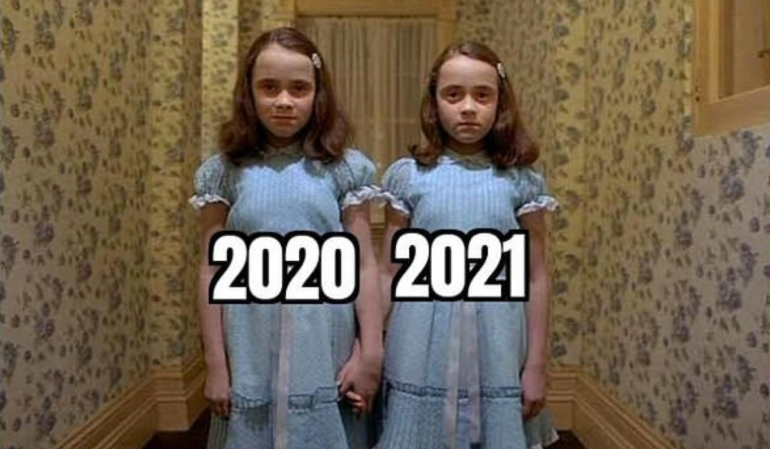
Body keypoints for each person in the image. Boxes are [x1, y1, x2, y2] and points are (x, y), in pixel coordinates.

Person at [189, 27, 383, 449]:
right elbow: (211, 271)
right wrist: (215, 363)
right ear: (249, 93)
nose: (283, 101)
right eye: (269, 87)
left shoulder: (345, 170)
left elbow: (363, 265)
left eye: (299, 88)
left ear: (318, 94)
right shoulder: (224, 172)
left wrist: (369, 352)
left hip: (325, 339)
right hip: (249, 340)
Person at [375, 40, 559, 449]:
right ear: (434, 103)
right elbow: (389, 272)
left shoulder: (522, 181)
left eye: (483, 95)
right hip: (418, 343)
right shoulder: (409, 177)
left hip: (497, 343)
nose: (469, 108)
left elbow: (535, 278)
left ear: (500, 103)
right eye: (453, 95)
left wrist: (535, 365)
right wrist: (368, 346)